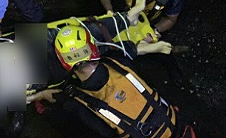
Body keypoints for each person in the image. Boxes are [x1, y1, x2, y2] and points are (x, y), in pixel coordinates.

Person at [52, 25, 196, 138]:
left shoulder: (76, 103)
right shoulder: (118, 61)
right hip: (177, 127)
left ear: (64, 62)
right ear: (92, 48)